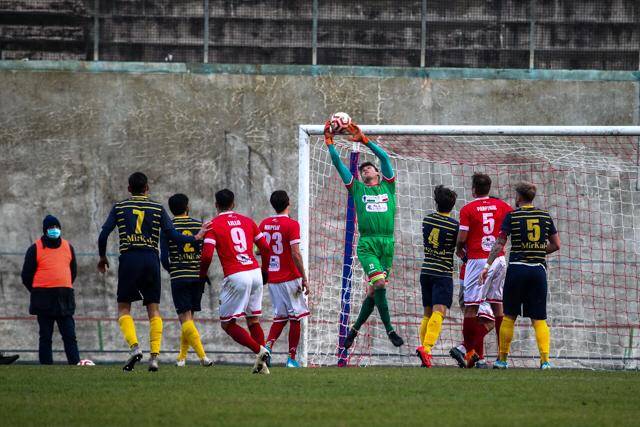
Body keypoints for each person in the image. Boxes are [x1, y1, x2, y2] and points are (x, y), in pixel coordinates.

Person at [98, 172, 206, 372]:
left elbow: (104, 234)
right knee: (154, 309)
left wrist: (103, 257)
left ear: (129, 188)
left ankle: (135, 347)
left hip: (129, 258)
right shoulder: (157, 208)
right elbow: (173, 235)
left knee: (123, 308)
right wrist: (196, 237)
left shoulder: (120, 207)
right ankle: (154, 358)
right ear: (147, 188)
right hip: (150, 259)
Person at [325, 120, 404, 350]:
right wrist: (330, 143)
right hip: (368, 243)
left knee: (373, 291)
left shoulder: (388, 187)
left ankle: (354, 330)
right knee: (379, 284)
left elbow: (386, 159)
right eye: (362, 170)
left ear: (378, 173)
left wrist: (365, 140)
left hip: (387, 243)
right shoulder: (357, 189)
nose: (365, 170)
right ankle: (390, 330)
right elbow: (339, 164)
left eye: (369, 168)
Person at [479, 182, 560, 369]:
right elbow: (556, 244)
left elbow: (499, 243)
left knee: (509, 316)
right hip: (538, 271)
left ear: (519, 197)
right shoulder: (545, 216)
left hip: (517, 270)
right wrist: (538, 252)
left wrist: (487, 265)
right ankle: (545, 361)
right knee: (539, 319)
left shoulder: (512, 216)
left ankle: (502, 360)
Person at [199, 189, 272, 374]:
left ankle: (260, 351)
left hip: (237, 275)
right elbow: (265, 247)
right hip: (254, 272)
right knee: (253, 319)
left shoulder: (213, 225)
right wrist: (265, 271)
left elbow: (207, 255)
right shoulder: (248, 221)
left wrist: (201, 274)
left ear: (216, 205)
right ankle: (263, 365)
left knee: (227, 324)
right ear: (233, 204)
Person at [450, 173, 512, 368]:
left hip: (477, 261)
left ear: (474, 189)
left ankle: (468, 352)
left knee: (471, 308)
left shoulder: (468, 209)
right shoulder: (503, 206)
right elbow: (511, 225)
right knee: (498, 306)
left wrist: (459, 248)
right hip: (499, 259)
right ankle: (502, 359)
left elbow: (462, 238)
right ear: (489, 187)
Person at [160, 193, 213, 367]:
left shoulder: (168, 227)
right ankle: (181, 358)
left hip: (180, 276)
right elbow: (205, 252)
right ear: (187, 207)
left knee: (185, 318)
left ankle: (203, 357)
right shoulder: (198, 225)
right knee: (189, 318)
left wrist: (173, 270)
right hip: (197, 276)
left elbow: (164, 258)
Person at [259, 190, 310, 368]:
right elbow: (295, 253)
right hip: (290, 277)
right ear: (288, 203)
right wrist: (304, 277)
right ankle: (291, 359)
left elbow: (259, 250)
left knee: (280, 316)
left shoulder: (264, 224)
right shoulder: (292, 225)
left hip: (273, 279)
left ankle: (267, 348)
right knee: (295, 317)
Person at [21, 215, 80, 365]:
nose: (54, 230)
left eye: (56, 227)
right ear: (45, 230)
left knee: (70, 335)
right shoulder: (35, 248)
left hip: (64, 298)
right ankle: (46, 365)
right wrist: (38, 291)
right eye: (51, 228)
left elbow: (72, 271)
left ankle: (75, 363)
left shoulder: (68, 247)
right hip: (43, 299)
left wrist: (62, 285)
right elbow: (26, 275)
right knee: (45, 336)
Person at [416, 186, 458, 368]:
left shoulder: (427, 220)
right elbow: (459, 245)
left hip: (426, 270)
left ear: (436, 202)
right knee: (439, 312)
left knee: (427, 313)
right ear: (452, 205)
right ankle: (427, 348)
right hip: (442, 272)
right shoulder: (454, 225)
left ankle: (424, 350)